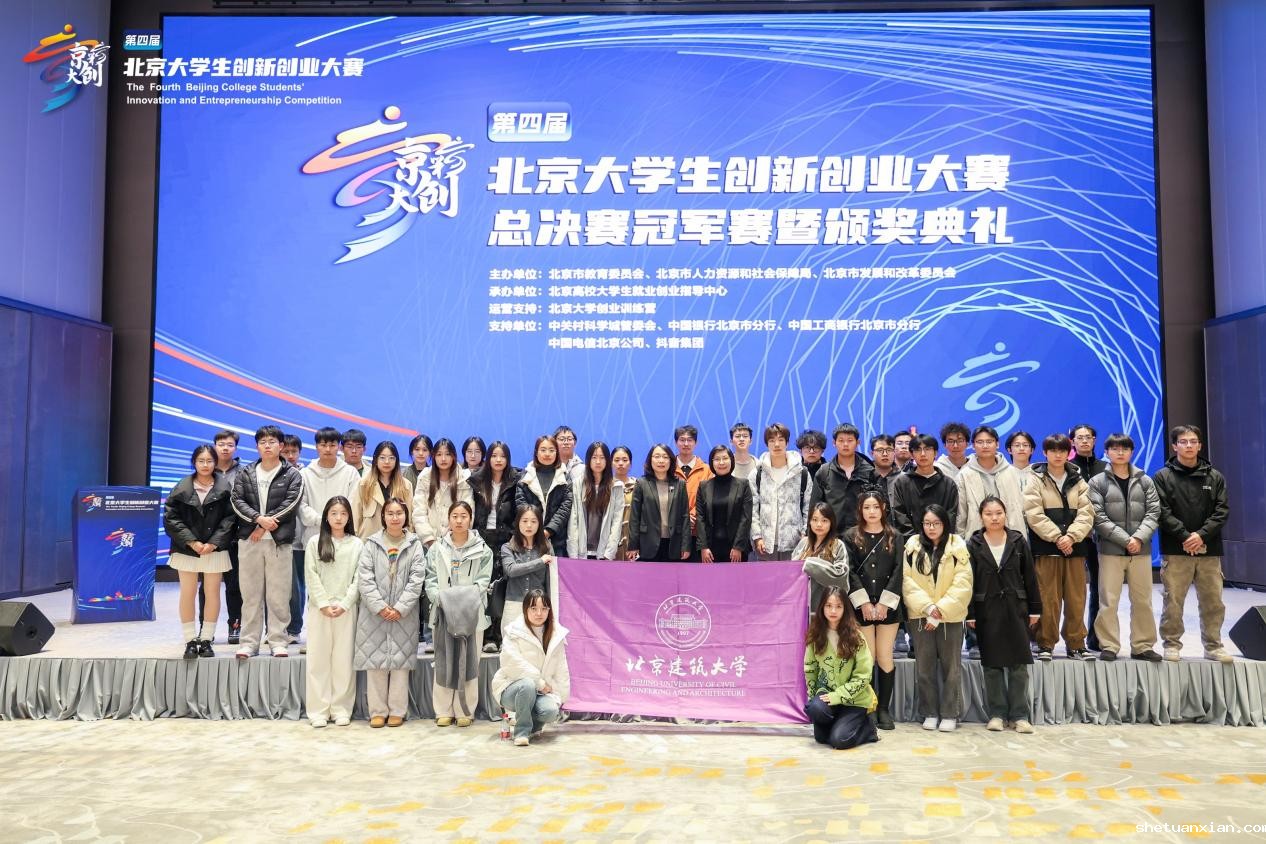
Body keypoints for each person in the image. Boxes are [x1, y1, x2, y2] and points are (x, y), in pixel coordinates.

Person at [1153, 425, 1233, 663]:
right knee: (1173, 601)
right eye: (1183, 441)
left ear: (1200, 445)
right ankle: (1171, 644)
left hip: (1208, 550)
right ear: (1174, 446)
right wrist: (1185, 536)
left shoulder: (1215, 477)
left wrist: (1200, 536)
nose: (1189, 445)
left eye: (1193, 441)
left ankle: (1213, 646)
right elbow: (1161, 512)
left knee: (1213, 602)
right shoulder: (1162, 477)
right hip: (1176, 550)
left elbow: (1221, 511)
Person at [966, 496, 1041, 733]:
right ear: (981, 517)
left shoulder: (1018, 541)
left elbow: (1030, 577)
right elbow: (968, 581)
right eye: (989, 514)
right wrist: (970, 612)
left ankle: (1020, 715)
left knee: (1019, 663)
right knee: (992, 663)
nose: (994, 518)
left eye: (998, 513)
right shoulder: (974, 543)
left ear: (1005, 514)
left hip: (1016, 607)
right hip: (986, 609)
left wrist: (1035, 608)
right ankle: (997, 714)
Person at [230, 425, 304, 659]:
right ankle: (249, 643)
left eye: (272, 442)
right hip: (249, 541)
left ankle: (278, 641)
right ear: (257, 446)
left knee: (279, 595)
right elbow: (236, 501)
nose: (267, 446)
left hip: (279, 542)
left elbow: (292, 503)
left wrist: (263, 525)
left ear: (281, 446)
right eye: (263, 442)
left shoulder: (292, 474)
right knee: (250, 594)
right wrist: (257, 519)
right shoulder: (246, 472)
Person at [1087, 434, 1162, 662]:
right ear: (1107, 452)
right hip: (1110, 550)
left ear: (1131, 452)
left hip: (1140, 550)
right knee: (1108, 601)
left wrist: (1138, 538)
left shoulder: (1145, 480)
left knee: (1143, 601)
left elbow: (1154, 512)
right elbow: (1097, 516)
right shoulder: (1097, 482)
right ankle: (1109, 645)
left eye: (1125, 449)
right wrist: (1125, 539)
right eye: (1115, 449)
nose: (1120, 453)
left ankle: (1142, 645)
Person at [355, 497, 426, 728]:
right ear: (383, 517)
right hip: (374, 614)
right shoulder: (371, 544)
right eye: (390, 513)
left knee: (400, 663)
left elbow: (417, 579)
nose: (395, 517)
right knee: (375, 663)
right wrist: (380, 606)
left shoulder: (414, 544)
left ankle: (397, 710)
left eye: (399, 513)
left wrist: (400, 608)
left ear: (406, 516)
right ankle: (377, 711)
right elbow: (364, 579)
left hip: (403, 614)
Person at [1023, 433, 1094, 661]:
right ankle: (1045, 643)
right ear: (1045, 453)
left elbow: (1087, 513)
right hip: (1046, 549)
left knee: (1076, 599)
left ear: (1069, 453)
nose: (1058, 455)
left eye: (1062, 450)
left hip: (1075, 549)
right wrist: (1057, 537)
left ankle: (1076, 644)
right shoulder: (1035, 479)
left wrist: (1071, 537)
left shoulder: (1078, 480)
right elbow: (1033, 513)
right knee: (1048, 599)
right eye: (1053, 450)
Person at [902, 504, 972, 732]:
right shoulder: (912, 546)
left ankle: (950, 713)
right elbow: (907, 582)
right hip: (921, 615)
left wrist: (940, 609)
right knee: (924, 667)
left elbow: (963, 583)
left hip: (950, 617)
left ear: (945, 524)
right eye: (927, 523)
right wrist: (928, 607)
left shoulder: (957, 545)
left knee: (952, 667)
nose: (931, 528)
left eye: (936, 523)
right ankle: (929, 712)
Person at [425, 501, 494, 727]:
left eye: (464, 516)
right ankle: (443, 710)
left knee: (470, 662)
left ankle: (465, 710)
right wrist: (442, 600)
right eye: (454, 515)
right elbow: (430, 579)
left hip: (472, 614)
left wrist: (463, 602)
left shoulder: (483, 549)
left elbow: (483, 581)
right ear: (448, 519)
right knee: (444, 661)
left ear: (470, 519)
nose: (459, 520)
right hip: (443, 613)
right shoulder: (437, 548)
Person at [164, 444, 236, 659]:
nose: (205, 465)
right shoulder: (181, 487)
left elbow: (231, 519)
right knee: (188, 592)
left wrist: (213, 543)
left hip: (215, 549)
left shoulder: (224, 487)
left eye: (209, 461)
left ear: (215, 463)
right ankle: (189, 640)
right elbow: (171, 518)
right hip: (186, 548)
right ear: (194, 462)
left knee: (212, 592)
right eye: (201, 461)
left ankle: (206, 639)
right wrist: (192, 542)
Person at [296, 427, 362, 648]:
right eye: (323, 445)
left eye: (332, 445)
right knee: (315, 587)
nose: (327, 449)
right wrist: (323, 521)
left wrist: (336, 521)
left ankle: (344, 640)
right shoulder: (305, 474)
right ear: (316, 446)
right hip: (315, 537)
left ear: (338, 447)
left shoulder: (350, 473)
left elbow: (352, 504)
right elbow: (301, 506)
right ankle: (314, 639)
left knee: (344, 585)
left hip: (344, 539)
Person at [303, 496, 363, 728]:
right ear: (326, 517)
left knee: (343, 660)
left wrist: (345, 603)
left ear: (349, 517)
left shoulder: (357, 544)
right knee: (318, 660)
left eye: (343, 513)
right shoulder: (314, 542)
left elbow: (359, 578)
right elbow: (311, 575)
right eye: (334, 513)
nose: (339, 518)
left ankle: (341, 708)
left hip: (346, 609)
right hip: (320, 609)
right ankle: (318, 710)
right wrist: (323, 603)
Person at [844, 492, 902, 731]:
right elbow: (849, 571)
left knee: (885, 656)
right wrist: (864, 603)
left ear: (883, 508)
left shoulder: (895, 536)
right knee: (867, 658)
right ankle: (868, 707)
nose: (871, 511)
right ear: (860, 509)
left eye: (876, 507)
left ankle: (884, 709)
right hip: (862, 608)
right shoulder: (850, 536)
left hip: (889, 608)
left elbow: (899, 570)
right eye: (866, 507)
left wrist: (885, 603)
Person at [491, 588, 570, 746]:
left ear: (549, 610)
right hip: (511, 687)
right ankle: (522, 733)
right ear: (525, 609)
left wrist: (560, 695)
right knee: (527, 685)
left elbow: (561, 669)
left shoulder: (556, 635)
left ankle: (532, 725)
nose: (539, 613)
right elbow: (510, 663)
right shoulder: (513, 631)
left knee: (550, 711)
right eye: (534, 608)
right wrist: (539, 683)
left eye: (544, 608)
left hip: (540, 692)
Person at [803, 587, 879, 750]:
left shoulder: (856, 637)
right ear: (822, 607)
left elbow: (864, 675)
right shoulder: (815, 635)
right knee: (818, 723)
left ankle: (868, 728)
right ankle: (838, 724)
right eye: (828, 605)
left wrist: (838, 696)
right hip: (827, 693)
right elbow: (810, 668)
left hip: (854, 699)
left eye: (838, 606)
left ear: (845, 609)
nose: (833, 611)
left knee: (839, 740)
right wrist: (814, 695)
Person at [472, 441, 519, 652]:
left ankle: (502, 636)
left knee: (502, 588)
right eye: (494, 456)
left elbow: (518, 512)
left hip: (506, 540)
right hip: (481, 539)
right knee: (484, 588)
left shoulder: (515, 482)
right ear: (488, 458)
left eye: (503, 456)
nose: (498, 460)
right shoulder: (476, 481)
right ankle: (487, 637)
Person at [1070, 424, 1108, 651]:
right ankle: (1073, 639)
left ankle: (1096, 638)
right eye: (1080, 437)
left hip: (1100, 536)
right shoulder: (1067, 468)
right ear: (1072, 441)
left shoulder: (1105, 468)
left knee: (1099, 587)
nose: (1084, 441)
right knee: (1073, 591)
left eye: (1088, 437)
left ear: (1094, 440)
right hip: (1073, 535)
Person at [750, 423, 812, 561]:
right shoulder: (757, 474)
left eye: (781, 440)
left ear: (787, 442)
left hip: (795, 542)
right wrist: (757, 537)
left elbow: (808, 506)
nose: (776, 444)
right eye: (772, 440)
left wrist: (805, 534)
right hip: (765, 544)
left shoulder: (801, 473)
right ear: (767, 444)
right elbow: (752, 508)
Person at [956, 426, 1027, 539]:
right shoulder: (964, 475)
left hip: (1012, 538)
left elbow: (1022, 508)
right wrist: (961, 541)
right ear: (973, 445)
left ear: (997, 444)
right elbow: (961, 514)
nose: (985, 446)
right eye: (980, 442)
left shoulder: (1012, 472)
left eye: (989, 442)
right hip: (978, 539)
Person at [809, 423, 881, 533]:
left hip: (862, 534)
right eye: (841, 440)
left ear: (858, 443)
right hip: (832, 535)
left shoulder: (870, 472)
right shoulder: (824, 472)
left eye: (850, 440)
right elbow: (815, 507)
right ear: (834, 443)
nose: (845, 444)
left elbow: (879, 507)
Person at [627, 444, 691, 561]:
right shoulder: (642, 483)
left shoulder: (680, 484)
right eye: (657, 456)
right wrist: (633, 545)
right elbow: (635, 518)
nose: (661, 461)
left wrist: (686, 546)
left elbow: (685, 516)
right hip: (647, 543)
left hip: (674, 543)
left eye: (665, 457)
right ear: (650, 460)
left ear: (671, 461)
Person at [210, 429, 244, 644]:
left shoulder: (244, 472)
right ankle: (206, 628)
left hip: (235, 536)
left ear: (235, 448)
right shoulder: (205, 469)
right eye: (221, 444)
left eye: (230, 445)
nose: (225, 448)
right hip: (210, 537)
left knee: (235, 585)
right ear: (215, 446)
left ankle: (235, 626)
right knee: (208, 586)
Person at [890, 434, 959, 539]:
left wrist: (939, 540)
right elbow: (900, 515)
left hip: (941, 543)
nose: (923, 454)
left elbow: (951, 516)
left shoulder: (948, 484)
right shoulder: (902, 482)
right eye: (918, 450)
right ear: (912, 454)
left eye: (927, 449)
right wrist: (915, 541)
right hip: (911, 543)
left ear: (935, 453)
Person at [515, 435, 574, 556]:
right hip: (528, 537)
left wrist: (549, 530)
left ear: (557, 453)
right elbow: (521, 503)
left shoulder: (564, 476)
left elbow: (565, 507)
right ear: (536, 453)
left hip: (557, 540)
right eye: (543, 450)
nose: (547, 454)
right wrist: (534, 529)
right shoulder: (525, 476)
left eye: (551, 450)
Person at [501, 505, 555, 636]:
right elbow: (511, 570)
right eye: (524, 521)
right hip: (514, 603)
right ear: (518, 523)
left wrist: (550, 605)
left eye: (534, 521)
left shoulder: (547, 547)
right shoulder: (508, 547)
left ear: (539, 524)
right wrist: (540, 561)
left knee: (537, 643)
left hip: (539, 606)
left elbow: (551, 579)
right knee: (510, 642)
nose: (529, 525)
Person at [567, 442, 626, 560]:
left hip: (603, 553)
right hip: (581, 552)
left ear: (607, 460)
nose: (598, 462)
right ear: (588, 460)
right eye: (594, 457)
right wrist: (573, 553)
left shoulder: (616, 486)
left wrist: (609, 553)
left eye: (602, 458)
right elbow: (573, 520)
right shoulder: (578, 484)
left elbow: (617, 522)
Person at [695, 445, 754, 564]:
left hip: (736, 550)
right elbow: (700, 518)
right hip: (710, 550)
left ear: (731, 460)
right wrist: (703, 547)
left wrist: (738, 547)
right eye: (717, 459)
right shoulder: (703, 486)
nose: (721, 462)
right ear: (712, 463)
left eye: (725, 458)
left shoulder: (743, 485)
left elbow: (746, 518)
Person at [412, 438, 475, 548]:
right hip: (428, 544)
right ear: (433, 457)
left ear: (454, 456)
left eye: (447, 454)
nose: (443, 459)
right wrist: (430, 541)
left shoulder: (464, 478)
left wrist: (452, 540)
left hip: (456, 544)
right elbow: (419, 513)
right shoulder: (425, 477)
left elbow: (468, 512)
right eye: (439, 454)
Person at [353, 441, 413, 540]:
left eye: (391, 458)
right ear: (375, 460)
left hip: (397, 542)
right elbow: (355, 517)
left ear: (396, 461)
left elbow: (409, 519)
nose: (387, 462)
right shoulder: (364, 484)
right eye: (382, 457)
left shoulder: (406, 486)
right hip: (368, 541)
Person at [798, 502, 850, 614]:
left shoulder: (838, 545)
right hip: (801, 608)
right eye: (815, 520)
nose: (819, 524)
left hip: (827, 609)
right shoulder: (803, 543)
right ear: (809, 522)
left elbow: (840, 578)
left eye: (824, 520)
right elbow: (793, 572)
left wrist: (809, 564)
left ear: (831, 522)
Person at [674, 425, 714, 559]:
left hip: (699, 533)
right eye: (682, 440)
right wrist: (683, 517)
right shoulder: (667, 469)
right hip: (674, 533)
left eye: (690, 440)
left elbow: (709, 498)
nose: (686, 443)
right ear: (676, 442)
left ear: (695, 443)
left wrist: (692, 516)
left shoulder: (707, 470)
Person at [612, 445, 637, 560]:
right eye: (616, 460)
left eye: (625, 460)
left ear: (630, 464)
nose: (620, 463)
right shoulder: (606, 486)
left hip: (632, 544)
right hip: (610, 544)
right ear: (611, 463)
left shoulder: (638, 486)